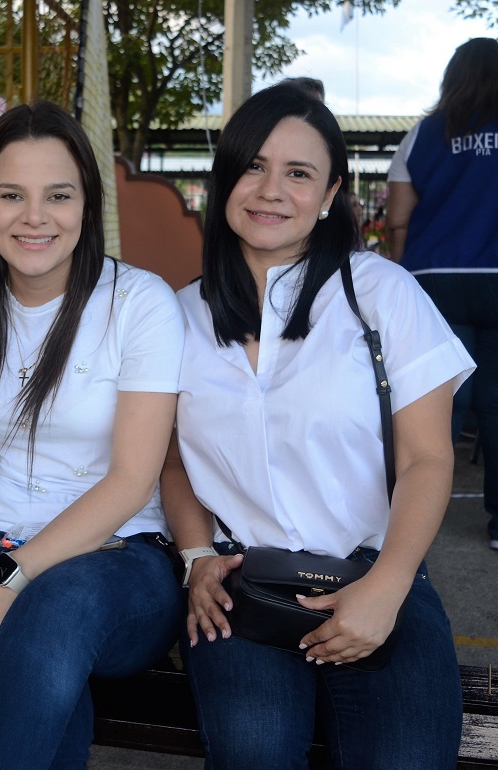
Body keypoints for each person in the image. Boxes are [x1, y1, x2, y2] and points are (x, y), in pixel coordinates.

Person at [161, 84, 474, 768]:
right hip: (244, 583)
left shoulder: (381, 293)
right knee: (252, 752)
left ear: (331, 191)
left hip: (376, 573)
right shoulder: (177, 314)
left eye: (299, 173)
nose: (272, 190)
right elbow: (173, 460)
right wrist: (195, 559)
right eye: (254, 166)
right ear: (225, 178)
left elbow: (428, 459)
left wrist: (386, 590)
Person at [0, 100, 186, 769]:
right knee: (39, 672)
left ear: (87, 205)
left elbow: (132, 480)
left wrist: (7, 579)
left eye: (57, 195)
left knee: (52, 613)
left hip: (121, 557)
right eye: (12, 194)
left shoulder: (138, 302)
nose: (34, 217)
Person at [386, 37, 498, 550]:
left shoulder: (423, 135)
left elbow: (398, 220)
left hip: (433, 279)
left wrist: (398, 276)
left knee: (440, 403)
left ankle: (413, 521)